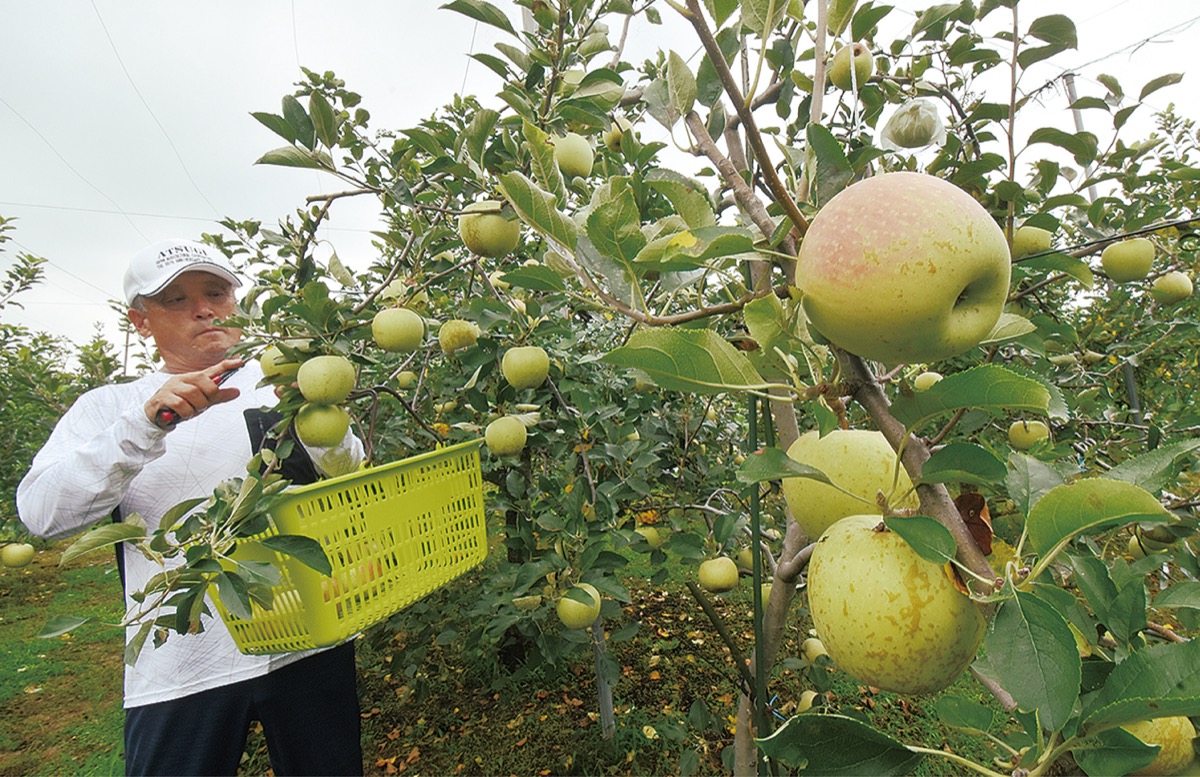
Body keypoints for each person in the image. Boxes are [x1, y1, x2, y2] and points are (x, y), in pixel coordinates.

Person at [16, 238, 365, 776]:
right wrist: (145, 425)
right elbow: (43, 514)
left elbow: (348, 474)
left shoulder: (281, 383)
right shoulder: (111, 407)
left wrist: (319, 409)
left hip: (307, 641)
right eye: (176, 300)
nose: (204, 308)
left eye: (216, 291)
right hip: (183, 659)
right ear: (141, 321)